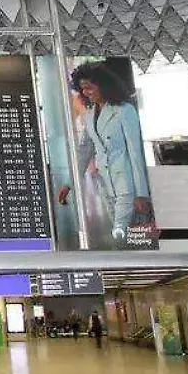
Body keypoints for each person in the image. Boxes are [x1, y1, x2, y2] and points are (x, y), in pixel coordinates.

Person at [57, 60, 153, 247]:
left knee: (133, 240)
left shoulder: (125, 111)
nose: (85, 92)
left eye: (89, 87)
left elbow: (136, 152)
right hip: (107, 187)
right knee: (122, 241)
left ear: (103, 86)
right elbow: (83, 151)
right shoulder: (90, 115)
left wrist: (141, 193)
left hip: (128, 187)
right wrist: (69, 183)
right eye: (82, 89)